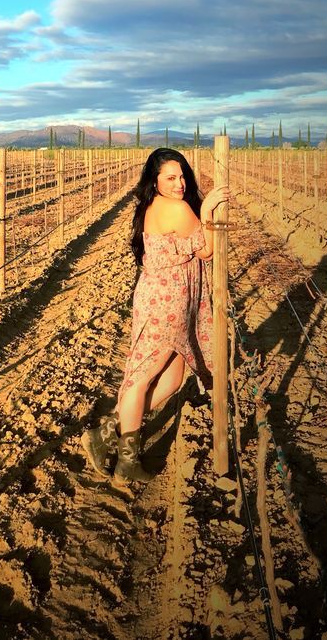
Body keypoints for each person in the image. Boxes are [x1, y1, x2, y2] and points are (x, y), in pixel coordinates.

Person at [80, 147, 229, 485]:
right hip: (167, 304)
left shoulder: (156, 205)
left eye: (182, 176)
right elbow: (206, 249)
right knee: (141, 379)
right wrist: (206, 209)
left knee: (173, 379)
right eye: (171, 178)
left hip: (172, 299)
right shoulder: (176, 208)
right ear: (155, 181)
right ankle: (127, 463)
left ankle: (106, 433)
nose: (179, 184)